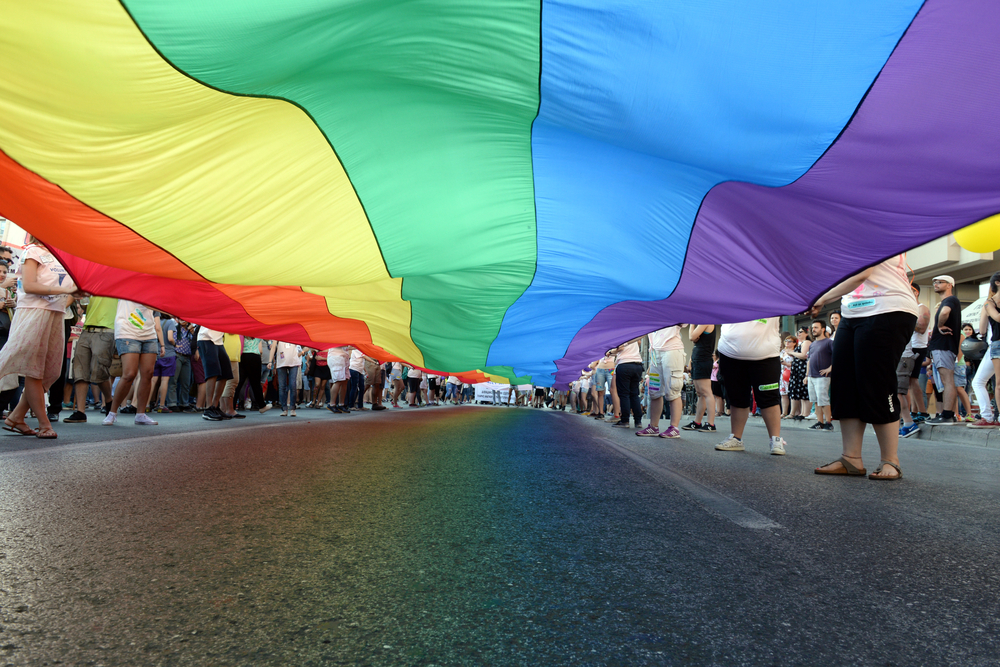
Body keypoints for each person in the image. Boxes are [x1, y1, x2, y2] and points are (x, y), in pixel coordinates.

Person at [813, 254, 918, 480]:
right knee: (845, 383)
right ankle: (851, 459)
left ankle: (891, 460)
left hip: (888, 307)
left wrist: (822, 298)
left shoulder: (872, 223)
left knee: (877, 382)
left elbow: (863, 272)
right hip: (852, 312)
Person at [0, 238, 82, 439]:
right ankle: (44, 424)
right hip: (33, 313)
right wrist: (65, 291)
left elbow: (69, 289)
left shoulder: (63, 254)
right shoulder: (33, 251)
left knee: (48, 372)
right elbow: (29, 285)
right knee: (34, 370)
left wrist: (72, 294)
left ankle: (17, 417)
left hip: (55, 315)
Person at [713, 318, 787, 455]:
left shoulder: (773, 295)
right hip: (730, 352)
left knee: (769, 398)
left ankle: (775, 439)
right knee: (737, 397)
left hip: (766, 354)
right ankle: (736, 438)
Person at [102, 300, 164, 426]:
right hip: (127, 330)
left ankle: (140, 414)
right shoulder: (128, 282)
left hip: (148, 332)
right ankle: (112, 413)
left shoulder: (154, 284)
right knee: (129, 374)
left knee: (148, 373)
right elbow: (147, 301)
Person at [64, 296, 117, 423]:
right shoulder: (92, 285)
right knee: (79, 369)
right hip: (87, 329)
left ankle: (109, 400)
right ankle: (80, 412)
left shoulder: (115, 282)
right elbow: (85, 308)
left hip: (107, 329)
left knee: (99, 370)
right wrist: (81, 299)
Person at [926, 275, 962, 425]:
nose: (935, 284)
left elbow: (944, 312)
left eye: (939, 282)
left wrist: (939, 325)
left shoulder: (949, 300)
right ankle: (948, 414)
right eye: (934, 282)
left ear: (949, 285)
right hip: (945, 346)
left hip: (943, 345)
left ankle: (947, 415)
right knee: (947, 380)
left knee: (947, 381)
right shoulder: (949, 301)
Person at [636, 326, 684, 437]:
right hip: (655, 353)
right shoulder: (651, 312)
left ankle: (674, 428)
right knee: (654, 391)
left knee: (673, 389)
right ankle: (653, 426)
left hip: (672, 351)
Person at [975, 272, 1000, 428]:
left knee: (983, 382)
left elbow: (982, 330)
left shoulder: (988, 303)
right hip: (997, 345)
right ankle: (989, 417)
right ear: (997, 283)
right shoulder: (989, 303)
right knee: (984, 382)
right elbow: (997, 318)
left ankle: (988, 417)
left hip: (996, 345)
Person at [682, 324, 717, 432]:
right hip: (698, 359)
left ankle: (711, 423)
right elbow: (694, 339)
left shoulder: (706, 321)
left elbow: (692, 337)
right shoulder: (702, 323)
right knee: (700, 393)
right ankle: (697, 422)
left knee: (706, 392)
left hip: (703, 360)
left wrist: (692, 323)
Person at [906, 284, 932, 422]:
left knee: (912, 380)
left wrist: (904, 321)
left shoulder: (922, 308)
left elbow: (921, 328)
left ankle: (922, 411)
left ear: (915, 292)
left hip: (917, 348)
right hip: (909, 347)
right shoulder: (910, 308)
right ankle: (915, 412)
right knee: (910, 381)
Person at [806, 319, 834, 430]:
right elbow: (809, 360)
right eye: (812, 328)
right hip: (812, 376)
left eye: (816, 327)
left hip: (822, 376)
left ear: (823, 329)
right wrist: (807, 375)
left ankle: (828, 422)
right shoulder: (812, 344)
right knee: (815, 400)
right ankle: (820, 422)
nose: (813, 330)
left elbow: (837, 356)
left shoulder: (829, 342)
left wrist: (830, 368)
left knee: (823, 399)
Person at [611, 337, 644, 429]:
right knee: (634, 394)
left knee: (624, 394)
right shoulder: (634, 335)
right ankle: (638, 421)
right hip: (637, 365)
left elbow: (619, 348)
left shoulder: (622, 335)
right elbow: (639, 343)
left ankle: (625, 420)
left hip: (624, 364)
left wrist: (610, 352)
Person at [269, 341, 302, 416]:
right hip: (281, 362)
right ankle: (284, 408)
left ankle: (292, 408)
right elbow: (273, 347)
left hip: (294, 362)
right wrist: (270, 361)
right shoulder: (278, 333)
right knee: (282, 386)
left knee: (293, 385)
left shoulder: (294, 333)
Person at [788, 326, 811, 420]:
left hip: (802, 368)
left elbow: (803, 355)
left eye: (801, 332)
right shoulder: (800, 343)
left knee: (803, 390)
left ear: (806, 333)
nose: (798, 333)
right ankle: (801, 412)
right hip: (797, 368)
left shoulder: (806, 342)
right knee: (798, 390)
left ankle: (805, 413)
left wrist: (791, 352)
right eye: (798, 332)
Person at [779, 335, 795, 418]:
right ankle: (784, 412)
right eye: (786, 341)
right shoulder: (782, 351)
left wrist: (786, 364)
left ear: (794, 343)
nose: (787, 343)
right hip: (782, 374)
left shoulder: (795, 352)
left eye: (789, 341)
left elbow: (796, 364)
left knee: (792, 394)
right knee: (783, 394)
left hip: (791, 374)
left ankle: (792, 412)